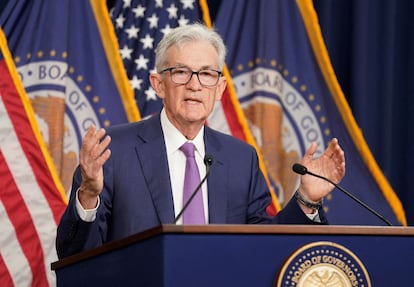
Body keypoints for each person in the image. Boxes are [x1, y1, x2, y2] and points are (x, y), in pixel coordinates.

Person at [56, 23, 345, 259]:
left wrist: (307, 200)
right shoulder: (114, 152)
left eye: (207, 74)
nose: (195, 85)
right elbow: (74, 255)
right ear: (158, 84)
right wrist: (89, 196)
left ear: (220, 88)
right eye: (181, 72)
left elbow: (266, 246)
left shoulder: (240, 159)